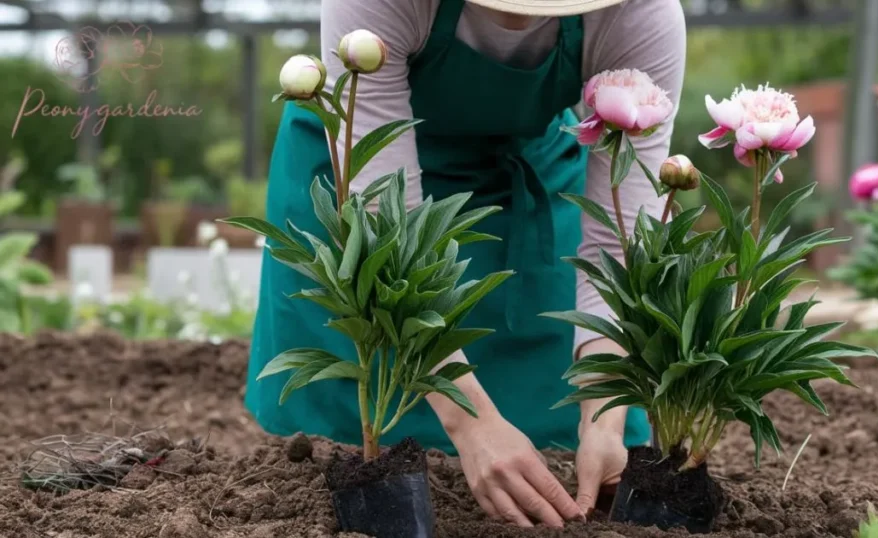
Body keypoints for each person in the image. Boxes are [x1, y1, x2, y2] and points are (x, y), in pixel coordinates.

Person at [248, 0, 686, 528]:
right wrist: (471, 422)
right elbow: (387, 231)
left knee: (561, 426)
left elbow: (619, 248)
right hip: (359, 173)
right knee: (358, 439)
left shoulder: (639, 13)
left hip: (522, 177)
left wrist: (604, 420)